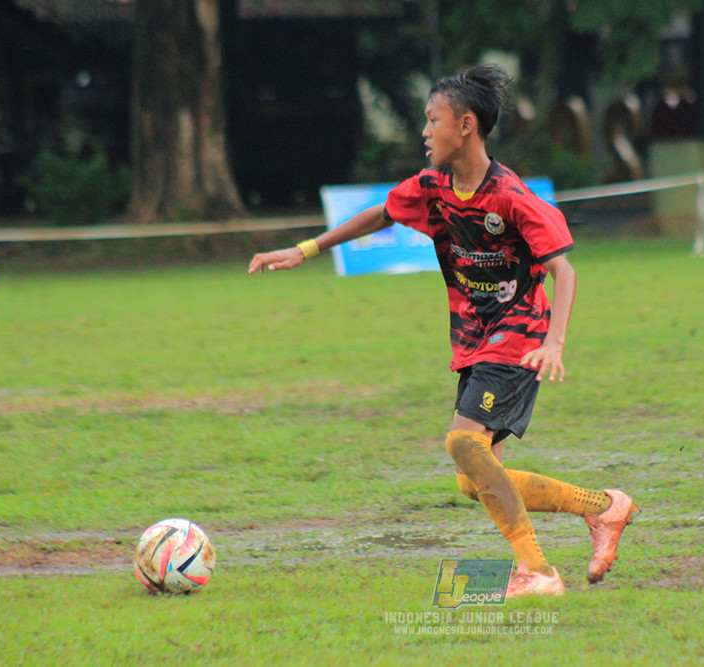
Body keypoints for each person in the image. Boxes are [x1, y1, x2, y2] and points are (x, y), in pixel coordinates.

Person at [248, 65, 638, 597]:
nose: (425, 132)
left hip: (520, 334)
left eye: (433, 120)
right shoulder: (432, 189)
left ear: (467, 126)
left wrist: (555, 343)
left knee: (462, 443)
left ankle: (538, 571)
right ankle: (603, 507)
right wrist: (305, 249)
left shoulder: (513, 197)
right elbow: (380, 215)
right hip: (476, 342)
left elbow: (563, 270)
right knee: (472, 479)